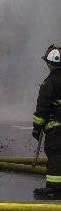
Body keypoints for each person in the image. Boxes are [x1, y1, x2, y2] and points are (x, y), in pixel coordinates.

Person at [32, 44, 61, 199]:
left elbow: (42, 108)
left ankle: (54, 190)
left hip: (56, 129)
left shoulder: (50, 82)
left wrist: (37, 127)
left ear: (51, 63)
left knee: (56, 157)